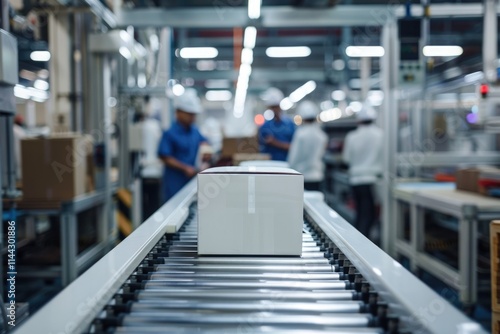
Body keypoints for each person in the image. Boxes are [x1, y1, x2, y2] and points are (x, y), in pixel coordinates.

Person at [158, 89, 208, 202]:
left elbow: (205, 143)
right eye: (189, 114)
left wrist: (206, 153)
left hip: (192, 182)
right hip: (175, 183)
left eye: (194, 114)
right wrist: (185, 168)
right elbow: (164, 156)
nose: (193, 117)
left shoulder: (195, 131)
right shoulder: (170, 133)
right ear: (178, 112)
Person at [342, 104, 383, 240]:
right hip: (373, 181)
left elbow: (346, 158)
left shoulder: (352, 136)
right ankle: (365, 244)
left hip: (355, 180)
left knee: (360, 214)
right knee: (370, 215)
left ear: (358, 120)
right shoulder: (380, 135)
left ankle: (358, 242)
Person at [287, 101, 328, 191]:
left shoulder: (300, 134)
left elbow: (293, 158)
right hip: (317, 176)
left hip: (302, 176)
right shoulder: (321, 135)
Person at [258, 88, 296, 161]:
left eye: (276, 107)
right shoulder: (265, 126)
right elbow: (260, 146)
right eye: (272, 107)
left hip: (286, 162)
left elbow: (294, 147)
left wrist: (275, 142)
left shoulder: (290, 125)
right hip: (269, 164)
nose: (274, 110)